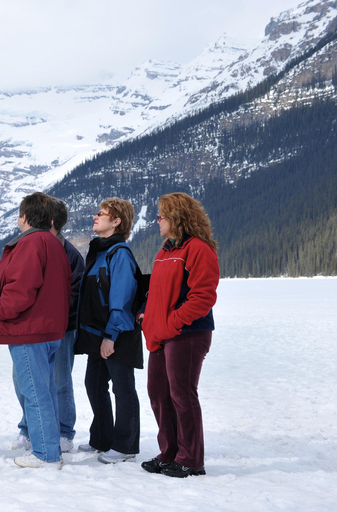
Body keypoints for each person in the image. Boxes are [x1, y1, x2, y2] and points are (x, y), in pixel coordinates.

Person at [0, 192, 71, 469]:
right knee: (44, 390)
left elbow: (21, 289)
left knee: (34, 392)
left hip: (29, 330)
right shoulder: (53, 243)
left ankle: (46, 454)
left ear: (24, 217)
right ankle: (47, 445)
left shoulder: (31, 243)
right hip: (49, 330)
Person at [140, 192, 219, 478]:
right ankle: (170, 452)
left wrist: (172, 322)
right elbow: (157, 293)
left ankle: (191, 459)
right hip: (163, 334)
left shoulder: (198, 249)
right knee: (158, 393)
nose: (157, 221)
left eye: (161, 216)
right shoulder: (165, 251)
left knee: (182, 394)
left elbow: (202, 297)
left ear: (177, 217)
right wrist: (146, 317)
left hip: (188, 334)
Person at [11, 198, 84, 454]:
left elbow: (72, 296)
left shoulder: (70, 255)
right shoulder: (36, 245)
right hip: (36, 328)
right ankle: (29, 428)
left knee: (58, 380)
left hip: (61, 328)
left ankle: (63, 431)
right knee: (26, 380)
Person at [75, 197, 142, 464]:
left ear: (116, 221)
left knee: (123, 388)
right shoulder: (100, 251)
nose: (95, 217)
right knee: (94, 383)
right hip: (97, 333)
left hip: (117, 335)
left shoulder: (120, 253)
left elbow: (121, 299)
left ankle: (126, 446)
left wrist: (111, 336)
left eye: (101, 214)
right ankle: (101, 438)